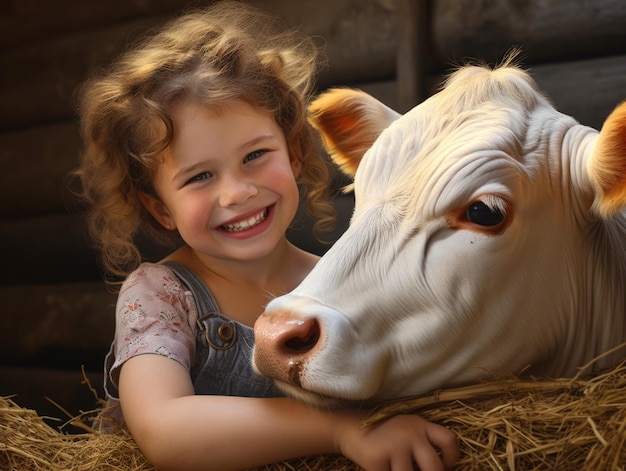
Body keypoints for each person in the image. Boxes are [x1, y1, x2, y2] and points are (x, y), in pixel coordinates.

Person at [75, 2, 460, 470]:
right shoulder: (160, 294)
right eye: (199, 177)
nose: (237, 192)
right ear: (160, 208)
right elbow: (164, 429)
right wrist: (342, 431)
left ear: (295, 153)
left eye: (255, 155)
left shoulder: (338, 285)